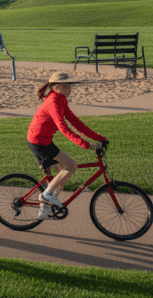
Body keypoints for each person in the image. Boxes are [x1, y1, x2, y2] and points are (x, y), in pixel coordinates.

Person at [27, 71, 107, 220]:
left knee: (63, 172)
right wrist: (86, 144)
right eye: (67, 86)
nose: (70, 90)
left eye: (70, 87)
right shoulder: (53, 102)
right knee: (71, 165)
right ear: (57, 86)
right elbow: (63, 127)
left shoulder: (61, 99)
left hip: (44, 140)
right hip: (38, 142)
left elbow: (76, 122)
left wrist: (99, 138)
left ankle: (47, 205)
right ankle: (47, 196)